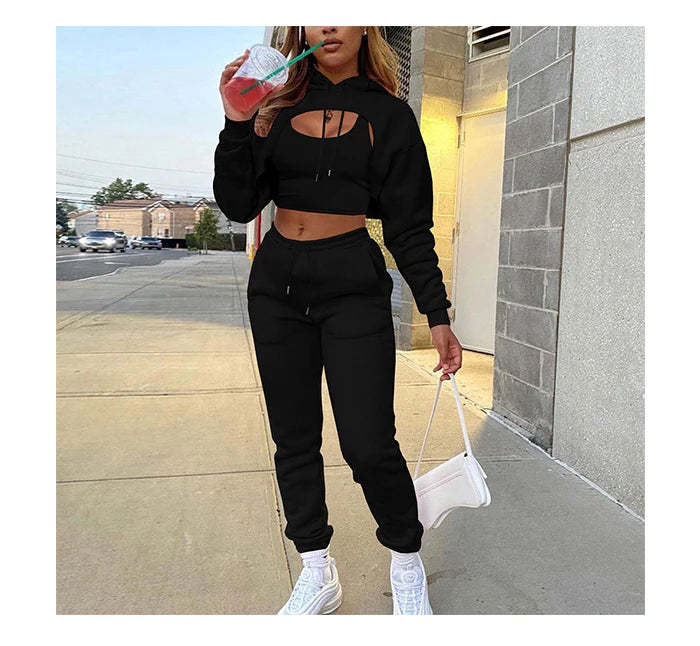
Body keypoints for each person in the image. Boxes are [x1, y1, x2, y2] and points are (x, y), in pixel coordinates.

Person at [214, 26, 462, 615]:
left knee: (369, 443)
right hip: (276, 288)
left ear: (365, 27)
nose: (328, 25)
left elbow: (408, 227)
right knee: (294, 438)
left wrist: (437, 313)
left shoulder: (389, 115)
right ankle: (316, 568)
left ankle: (406, 559)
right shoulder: (274, 106)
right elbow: (238, 204)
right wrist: (235, 122)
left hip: (352, 285)